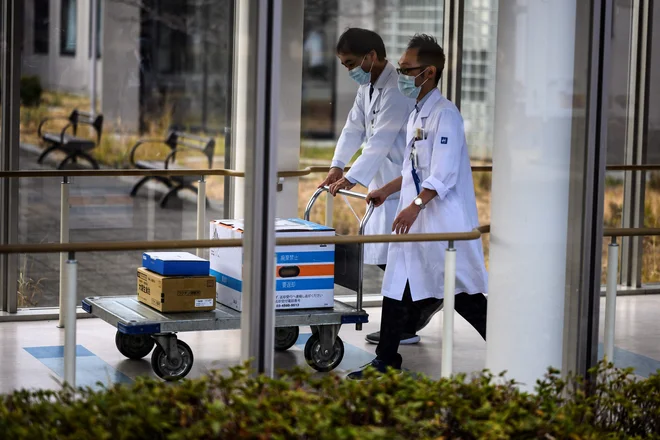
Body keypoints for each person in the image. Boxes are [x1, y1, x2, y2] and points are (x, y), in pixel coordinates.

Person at [347, 34, 488, 380]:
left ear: (429, 72)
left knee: (464, 294)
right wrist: (387, 190)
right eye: (400, 67)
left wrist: (415, 205)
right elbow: (413, 169)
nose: (401, 75)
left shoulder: (445, 115)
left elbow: (443, 175)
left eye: (407, 69)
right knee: (396, 288)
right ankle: (385, 361)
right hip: (417, 220)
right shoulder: (417, 115)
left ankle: (515, 347)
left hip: (441, 223)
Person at [320, 28, 443, 346]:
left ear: (370, 56)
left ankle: (408, 320)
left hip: (402, 183)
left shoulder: (397, 88)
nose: (348, 70)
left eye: (350, 63)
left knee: (398, 255)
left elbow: (380, 139)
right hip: (382, 182)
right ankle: (412, 314)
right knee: (386, 252)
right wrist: (337, 166)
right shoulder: (369, 88)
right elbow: (353, 127)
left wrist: (352, 176)